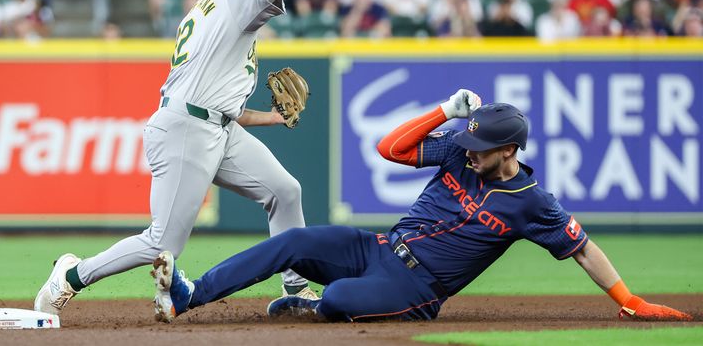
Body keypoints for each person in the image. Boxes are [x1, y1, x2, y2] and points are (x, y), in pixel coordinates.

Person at [34, 0, 380, 319]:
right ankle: (72, 275)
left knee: (285, 191)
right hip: (187, 129)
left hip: (215, 124)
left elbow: (223, 104)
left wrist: (271, 118)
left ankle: (295, 288)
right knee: (160, 243)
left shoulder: (211, 7)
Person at [149, 89, 693, 323]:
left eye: (482, 147)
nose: (470, 151)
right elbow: (391, 148)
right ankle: (190, 297)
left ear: (509, 151)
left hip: (417, 289)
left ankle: (316, 309)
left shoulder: (531, 202)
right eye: (469, 141)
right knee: (293, 241)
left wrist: (630, 299)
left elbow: (581, 248)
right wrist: (442, 111)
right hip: (380, 248)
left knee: (337, 298)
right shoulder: (461, 150)